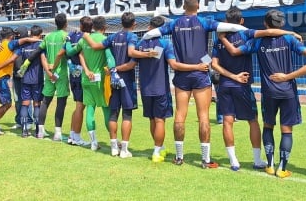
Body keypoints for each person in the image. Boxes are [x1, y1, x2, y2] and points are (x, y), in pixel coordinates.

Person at [141, 0, 247, 168]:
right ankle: (205, 160)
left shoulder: (174, 24)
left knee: (180, 115)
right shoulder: (205, 22)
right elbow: (232, 27)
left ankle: (179, 157)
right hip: (200, 74)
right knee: (203, 116)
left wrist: (147, 41)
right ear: (198, 5)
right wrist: (243, 28)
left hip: (182, 75)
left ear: (183, 6)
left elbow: (150, 34)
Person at [218, 9, 306, 178]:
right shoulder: (289, 39)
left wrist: (222, 39)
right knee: (286, 130)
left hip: (268, 92)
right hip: (288, 90)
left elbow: (235, 52)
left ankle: (270, 165)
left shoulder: (257, 42)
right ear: (282, 24)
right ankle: (282, 168)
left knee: (267, 126)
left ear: (265, 24)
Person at [135, 16, 208, 162]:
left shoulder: (140, 43)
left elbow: (132, 60)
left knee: (152, 120)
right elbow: (174, 65)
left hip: (144, 87)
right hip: (161, 87)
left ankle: (162, 149)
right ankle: (157, 152)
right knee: (160, 120)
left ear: (149, 27)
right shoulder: (164, 43)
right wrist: (200, 66)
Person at [80, 12, 139, 158]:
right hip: (124, 80)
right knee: (126, 114)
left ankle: (113, 147)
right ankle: (124, 149)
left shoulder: (112, 37)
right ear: (134, 24)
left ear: (121, 23)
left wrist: (86, 35)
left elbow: (93, 47)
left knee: (112, 113)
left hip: (110, 80)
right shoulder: (132, 37)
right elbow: (131, 62)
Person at [65, 16, 117, 151]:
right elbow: (110, 59)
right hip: (99, 81)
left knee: (90, 110)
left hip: (86, 79)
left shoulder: (83, 40)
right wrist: (112, 71)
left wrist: (67, 42)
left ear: (93, 27)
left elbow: (70, 52)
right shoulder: (104, 41)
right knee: (107, 110)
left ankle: (93, 143)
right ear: (105, 28)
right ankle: (114, 143)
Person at [18, 25, 45, 137]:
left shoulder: (24, 45)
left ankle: (24, 129)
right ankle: (38, 130)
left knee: (25, 104)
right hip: (37, 79)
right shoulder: (40, 45)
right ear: (40, 34)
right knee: (37, 104)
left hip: (25, 78)